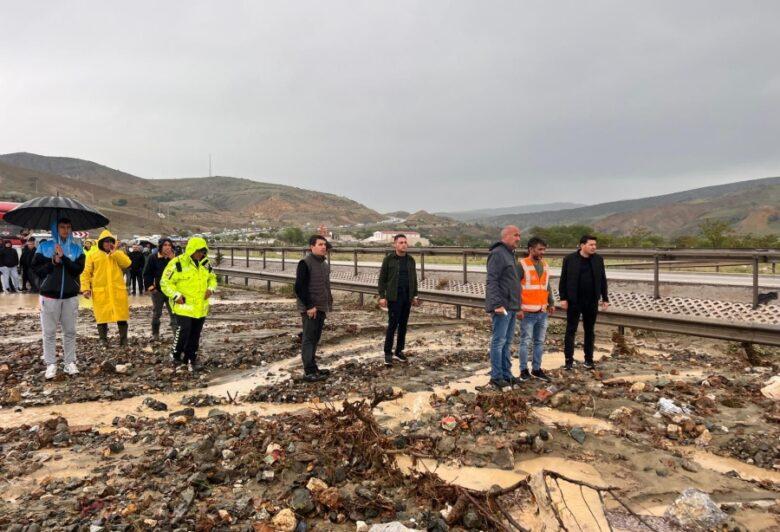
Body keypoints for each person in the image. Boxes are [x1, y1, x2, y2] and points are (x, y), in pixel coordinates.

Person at [32, 218, 85, 379]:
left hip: (70, 296)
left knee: (70, 331)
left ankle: (69, 362)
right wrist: (53, 261)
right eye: (62, 227)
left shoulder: (77, 249)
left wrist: (65, 258)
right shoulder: (44, 247)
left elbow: (78, 270)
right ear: (55, 229)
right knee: (49, 332)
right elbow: (36, 270)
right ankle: (51, 364)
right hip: (49, 296)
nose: (66, 230)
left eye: (68, 227)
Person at [160, 236, 217, 372]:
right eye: (198, 251)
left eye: (203, 252)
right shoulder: (177, 263)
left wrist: (211, 289)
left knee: (195, 334)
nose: (200, 254)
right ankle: (175, 355)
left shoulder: (206, 264)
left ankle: (191, 358)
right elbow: (165, 282)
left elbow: (213, 279)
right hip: (183, 306)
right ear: (191, 250)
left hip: (200, 307)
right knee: (184, 330)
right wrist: (176, 295)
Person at [559, 235, 609, 371]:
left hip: (592, 300)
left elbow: (603, 280)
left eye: (595, 245)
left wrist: (605, 298)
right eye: (591, 244)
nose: (594, 247)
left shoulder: (598, 260)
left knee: (589, 331)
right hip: (574, 300)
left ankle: (589, 360)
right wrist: (563, 298)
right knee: (571, 330)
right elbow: (563, 279)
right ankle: (568, 360)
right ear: (582, 245)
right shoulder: (569, 259)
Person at [485, 225, 523, 390]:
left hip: (512, 305)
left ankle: (507, 375)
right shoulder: (498, 254)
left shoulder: (510, 254)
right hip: (502, 307)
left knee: (507, 342)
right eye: (516, 235)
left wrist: (518, 305)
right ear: (506, 236)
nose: (518, 238)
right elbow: (491, 280)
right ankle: (496, 377)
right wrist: (496, 304)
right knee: (499, 342)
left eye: (519, 235)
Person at [81, 230, 132, 348]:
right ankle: (103, 340)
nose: (108, 243)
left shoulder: (117, 254)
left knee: (122, 316)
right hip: (101, 291)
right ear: (101, 243)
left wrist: (115, 253)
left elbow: (127, 263)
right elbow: (86, 273)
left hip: (117, 290)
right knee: (102, 317)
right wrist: (85, 288)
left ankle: (124, 341)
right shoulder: (93, 256)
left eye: (110, 241)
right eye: (106, 241)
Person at [294, 235, 334, 382]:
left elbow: (325, 286)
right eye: (320, 244)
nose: (324, 247)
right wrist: (309, 306)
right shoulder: (305, 263)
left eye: (325, 245)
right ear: (312, 246)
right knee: (309, 339)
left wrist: (328, 303)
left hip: (322, 307)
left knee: (315, 338)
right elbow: (299, 287)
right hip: (310, 308)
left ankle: (313, 368)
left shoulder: (324, 264)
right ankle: (308, 371)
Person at [378, 234, 420, 366]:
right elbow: (382, 279)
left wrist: (415, 295)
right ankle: (387, 353)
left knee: (403, 325)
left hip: (407, 297)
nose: (404, 245)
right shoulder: (389, 259)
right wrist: (382, 296)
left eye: (405, 242)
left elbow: (414, 279)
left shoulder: (410, 260)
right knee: (392, 325)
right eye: (401, 242)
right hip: (394, 297)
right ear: (395, 245)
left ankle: (399, 351)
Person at [517, 237, 555, 383]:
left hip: (542, 311)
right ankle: (523, 370)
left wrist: (551, 302)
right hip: (527, 312)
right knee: (525, 342)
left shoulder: (545, 265)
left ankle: (537, 369)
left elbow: (547, 286)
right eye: (540, 249)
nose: (542, 252)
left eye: (544, 249)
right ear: (530, 249)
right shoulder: (522, 265)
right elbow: (514, 287)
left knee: (539, 341)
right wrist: (517, 307)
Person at [143, 237, 178, 341]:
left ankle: (176, 336)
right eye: (165, 245)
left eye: (169, 245)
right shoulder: (153, 257)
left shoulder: (176, 258)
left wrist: (173, 260)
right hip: (158, 290)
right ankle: (155, 334)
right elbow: (147, 274)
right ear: (160, 246)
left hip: (172, 291)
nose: (167, 247)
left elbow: (182, 272)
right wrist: (151, 288)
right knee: (157, 313)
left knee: (174, 313)